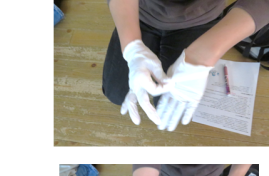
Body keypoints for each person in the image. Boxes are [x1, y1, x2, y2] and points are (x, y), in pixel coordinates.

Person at [102, 0, 269, 131]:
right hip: (139, 13)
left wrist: (203, 56)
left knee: (169, 102)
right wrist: (132, 47)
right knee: (117, 93)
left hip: (200, 19)